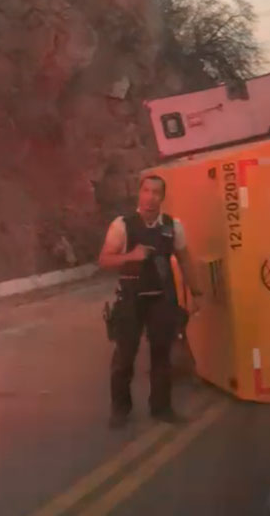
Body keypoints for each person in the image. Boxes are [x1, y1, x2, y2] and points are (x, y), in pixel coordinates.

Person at [99, 175, 203, 428]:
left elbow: (185, 259)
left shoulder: (172, 226)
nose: (150, 197)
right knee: (124, 357)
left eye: (156, 192)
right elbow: (104, 260)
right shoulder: (123, 225)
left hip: (162, 300)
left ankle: (162, 408)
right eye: (146, 191)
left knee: (161, 357)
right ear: (139, 194)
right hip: (131, 299)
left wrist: (197, 292)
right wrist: (131, 255)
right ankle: (120, 410)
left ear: (162, 197)